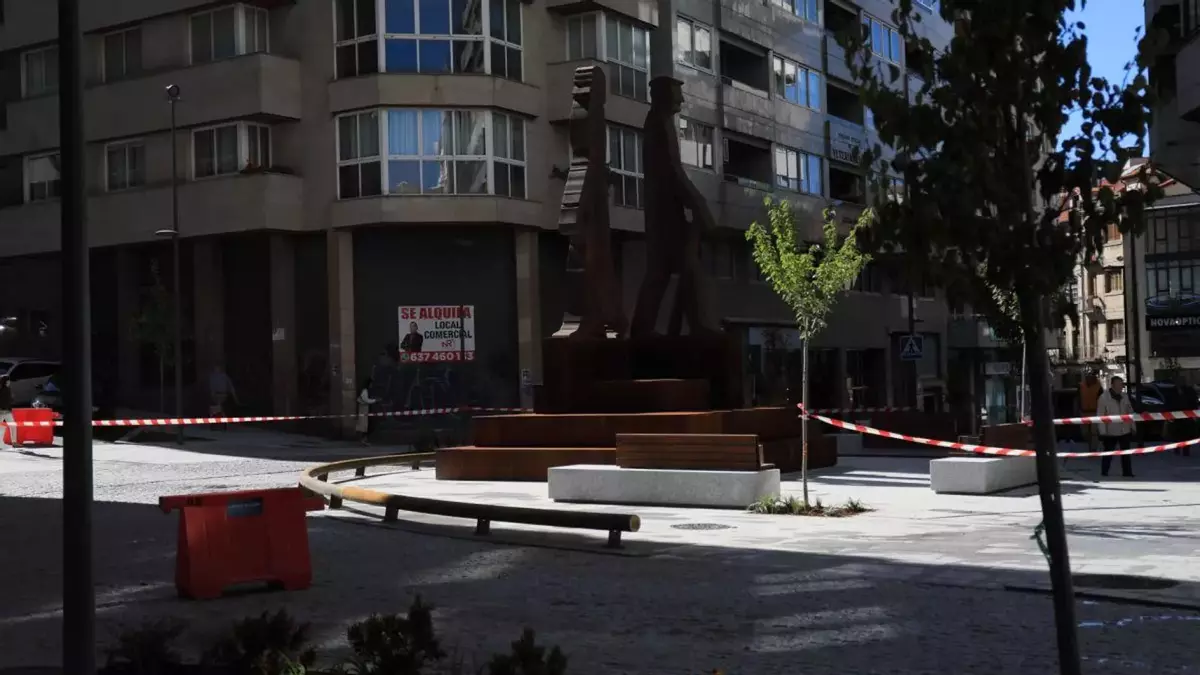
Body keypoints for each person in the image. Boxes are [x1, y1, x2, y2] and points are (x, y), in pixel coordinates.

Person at [1096, 375, 1136, 478]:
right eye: (1118, 384)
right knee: (1108, 452)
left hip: (1124, 429)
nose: (1121, 386)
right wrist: (1102, 432)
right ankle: (1104, 472)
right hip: (1111, 431)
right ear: (1112, 385)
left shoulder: (1125, 396)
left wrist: (1133, 426)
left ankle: (1127, 472)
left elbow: (1130, 412)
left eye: (1121, 384)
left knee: (1126, 453)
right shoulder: (1104, 398)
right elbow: (1100, 416)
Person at [1078, 372, 1103, 454]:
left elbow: (1102, 401)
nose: (1090, 378)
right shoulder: (1081, 386)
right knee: (1085, 433)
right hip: (1083, 412)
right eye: (1088, 376)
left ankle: (1093, 449)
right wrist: (1078, 410)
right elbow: (1077, 399)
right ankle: (1089, 444)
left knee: (1094, 432)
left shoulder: (1099, 387)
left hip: (1095, 412)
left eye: (1092, 376)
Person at [208, 365, 239, 430]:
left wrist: (212, 395)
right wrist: (234, 397)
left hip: (218, 395)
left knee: (216, 408)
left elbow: (212, 387)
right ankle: (220, 422)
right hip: (222, 394)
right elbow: (231, 387)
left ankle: (215, 423)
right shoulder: (223, 376)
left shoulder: (214, 377)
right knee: (219, 408)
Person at [357, 377, 379, 446]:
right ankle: (363, 439)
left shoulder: (366, 390)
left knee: (365, 425)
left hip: (365, 409)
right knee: (364, 425)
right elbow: (366, 400)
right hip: (364, 409)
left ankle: (364, 439)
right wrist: (375, 400)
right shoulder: (364, 391)